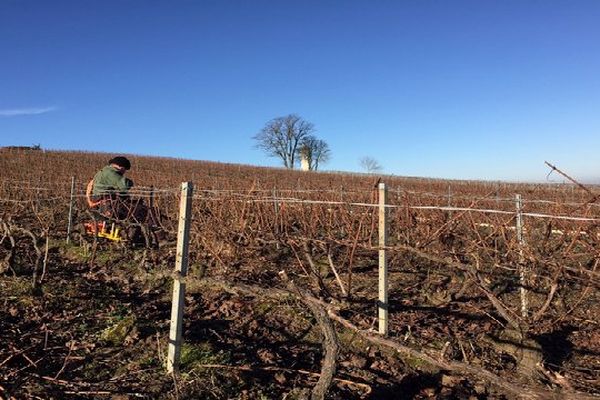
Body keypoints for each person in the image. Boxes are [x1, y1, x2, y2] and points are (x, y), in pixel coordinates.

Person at [87, 156, 138, 220]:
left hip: (99, 198)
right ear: (121, 167)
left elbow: (90, 185)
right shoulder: (111, 173)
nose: (124, 172)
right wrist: (131, 183)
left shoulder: (104, 170)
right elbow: (124, 185)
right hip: (104, 200)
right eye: (125, 170)